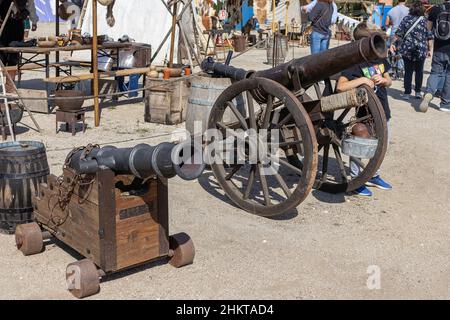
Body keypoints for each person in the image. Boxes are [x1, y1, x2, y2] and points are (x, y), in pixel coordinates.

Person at [336, 22, 393, 197]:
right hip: (364, 114)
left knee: (380, 145)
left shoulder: (380, 58)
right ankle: (356, 178)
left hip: (383, 111)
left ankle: (373, 175)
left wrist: (384, 81)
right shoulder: (355, 63)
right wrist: (362, 81)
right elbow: (340, 87)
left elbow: (388, 79)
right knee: (360, 143)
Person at [391, 0, 433, 100]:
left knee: (408, 71)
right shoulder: (425, 20)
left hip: (407, 50)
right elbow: (429, 37)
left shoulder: (406, 19)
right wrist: (430, 49)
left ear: (411, 9)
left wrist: (392, 43)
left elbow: (398, 34)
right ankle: (418, 92)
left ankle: (407, 93)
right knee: (419, 71)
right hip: (421, 50)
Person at [420, 0, 450, 112]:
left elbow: (428, 29)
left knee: (435, 72)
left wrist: (429, 46)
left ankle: (428, 93)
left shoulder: (436, 9)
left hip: (438, 47)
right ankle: (445, 104)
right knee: (449, 75)